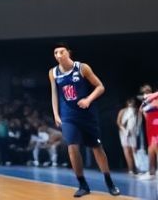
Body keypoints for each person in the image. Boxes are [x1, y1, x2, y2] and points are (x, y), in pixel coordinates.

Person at [49, 43, 120, 196]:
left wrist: (88, 99)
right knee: (72, 147)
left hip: (87, 115)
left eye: (61, 51)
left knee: (96, 147)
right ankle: (83, 185)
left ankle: (109, 182)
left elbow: (100, 86)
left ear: (69, 52)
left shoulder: (82, 68)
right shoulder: (53, 72)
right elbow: (54, 93)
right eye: (55, 53)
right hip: (68, 116)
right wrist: (56, 114)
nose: (58, 55)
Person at [116, 98, 139, 176]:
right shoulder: (122, 111)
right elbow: (118, 122)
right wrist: (124, 131)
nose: (130, 103)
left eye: (132, 102)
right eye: (129, 102)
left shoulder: (136, 111)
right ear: (126, 103)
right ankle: (130, 169)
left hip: (133, 133)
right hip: (123, 133)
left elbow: (138, 122)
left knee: (134, 151)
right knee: (126, 151)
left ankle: (136, 168)